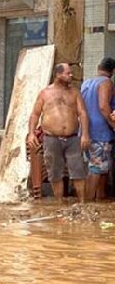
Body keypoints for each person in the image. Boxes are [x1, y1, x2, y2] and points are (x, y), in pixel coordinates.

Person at [27, 63, 90, 201]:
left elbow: (83, 113)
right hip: (51, 138)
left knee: (78, 171)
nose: (71, 75)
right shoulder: (45, 93)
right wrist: (31, 133)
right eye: (68, 73)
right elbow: (35, 115)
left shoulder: (75, 93)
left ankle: (83, 203)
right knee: (55, 173)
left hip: (73, 138)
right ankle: (59, 203)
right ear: (58, 75)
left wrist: (85, 134)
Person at [81, 58, 115, 201]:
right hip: (101, 132)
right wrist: (113, 125)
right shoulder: (106, 83)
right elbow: (103, 106)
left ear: (98, 67)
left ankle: (99, 198)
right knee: (96, 168)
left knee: (100, 167)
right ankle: (88, 203)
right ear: (112, 72)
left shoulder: (87, 83)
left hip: (87, 131)